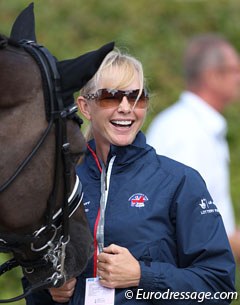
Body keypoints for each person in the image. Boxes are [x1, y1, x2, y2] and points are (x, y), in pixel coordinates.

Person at [27, 48, 235, 305]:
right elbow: (34, 274)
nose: (126, 107)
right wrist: (47, 290)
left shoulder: (181, 181)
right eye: (110, 97)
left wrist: (143, 276)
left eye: (136, 97)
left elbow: (218, 288)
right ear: (85, 107)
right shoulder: (61, 182)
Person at [146, 34, 240, 262]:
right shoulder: (186, 131)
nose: (239, 77)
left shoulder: (195, 125)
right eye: (234, 70)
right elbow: (186, 228)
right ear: (212, 75)